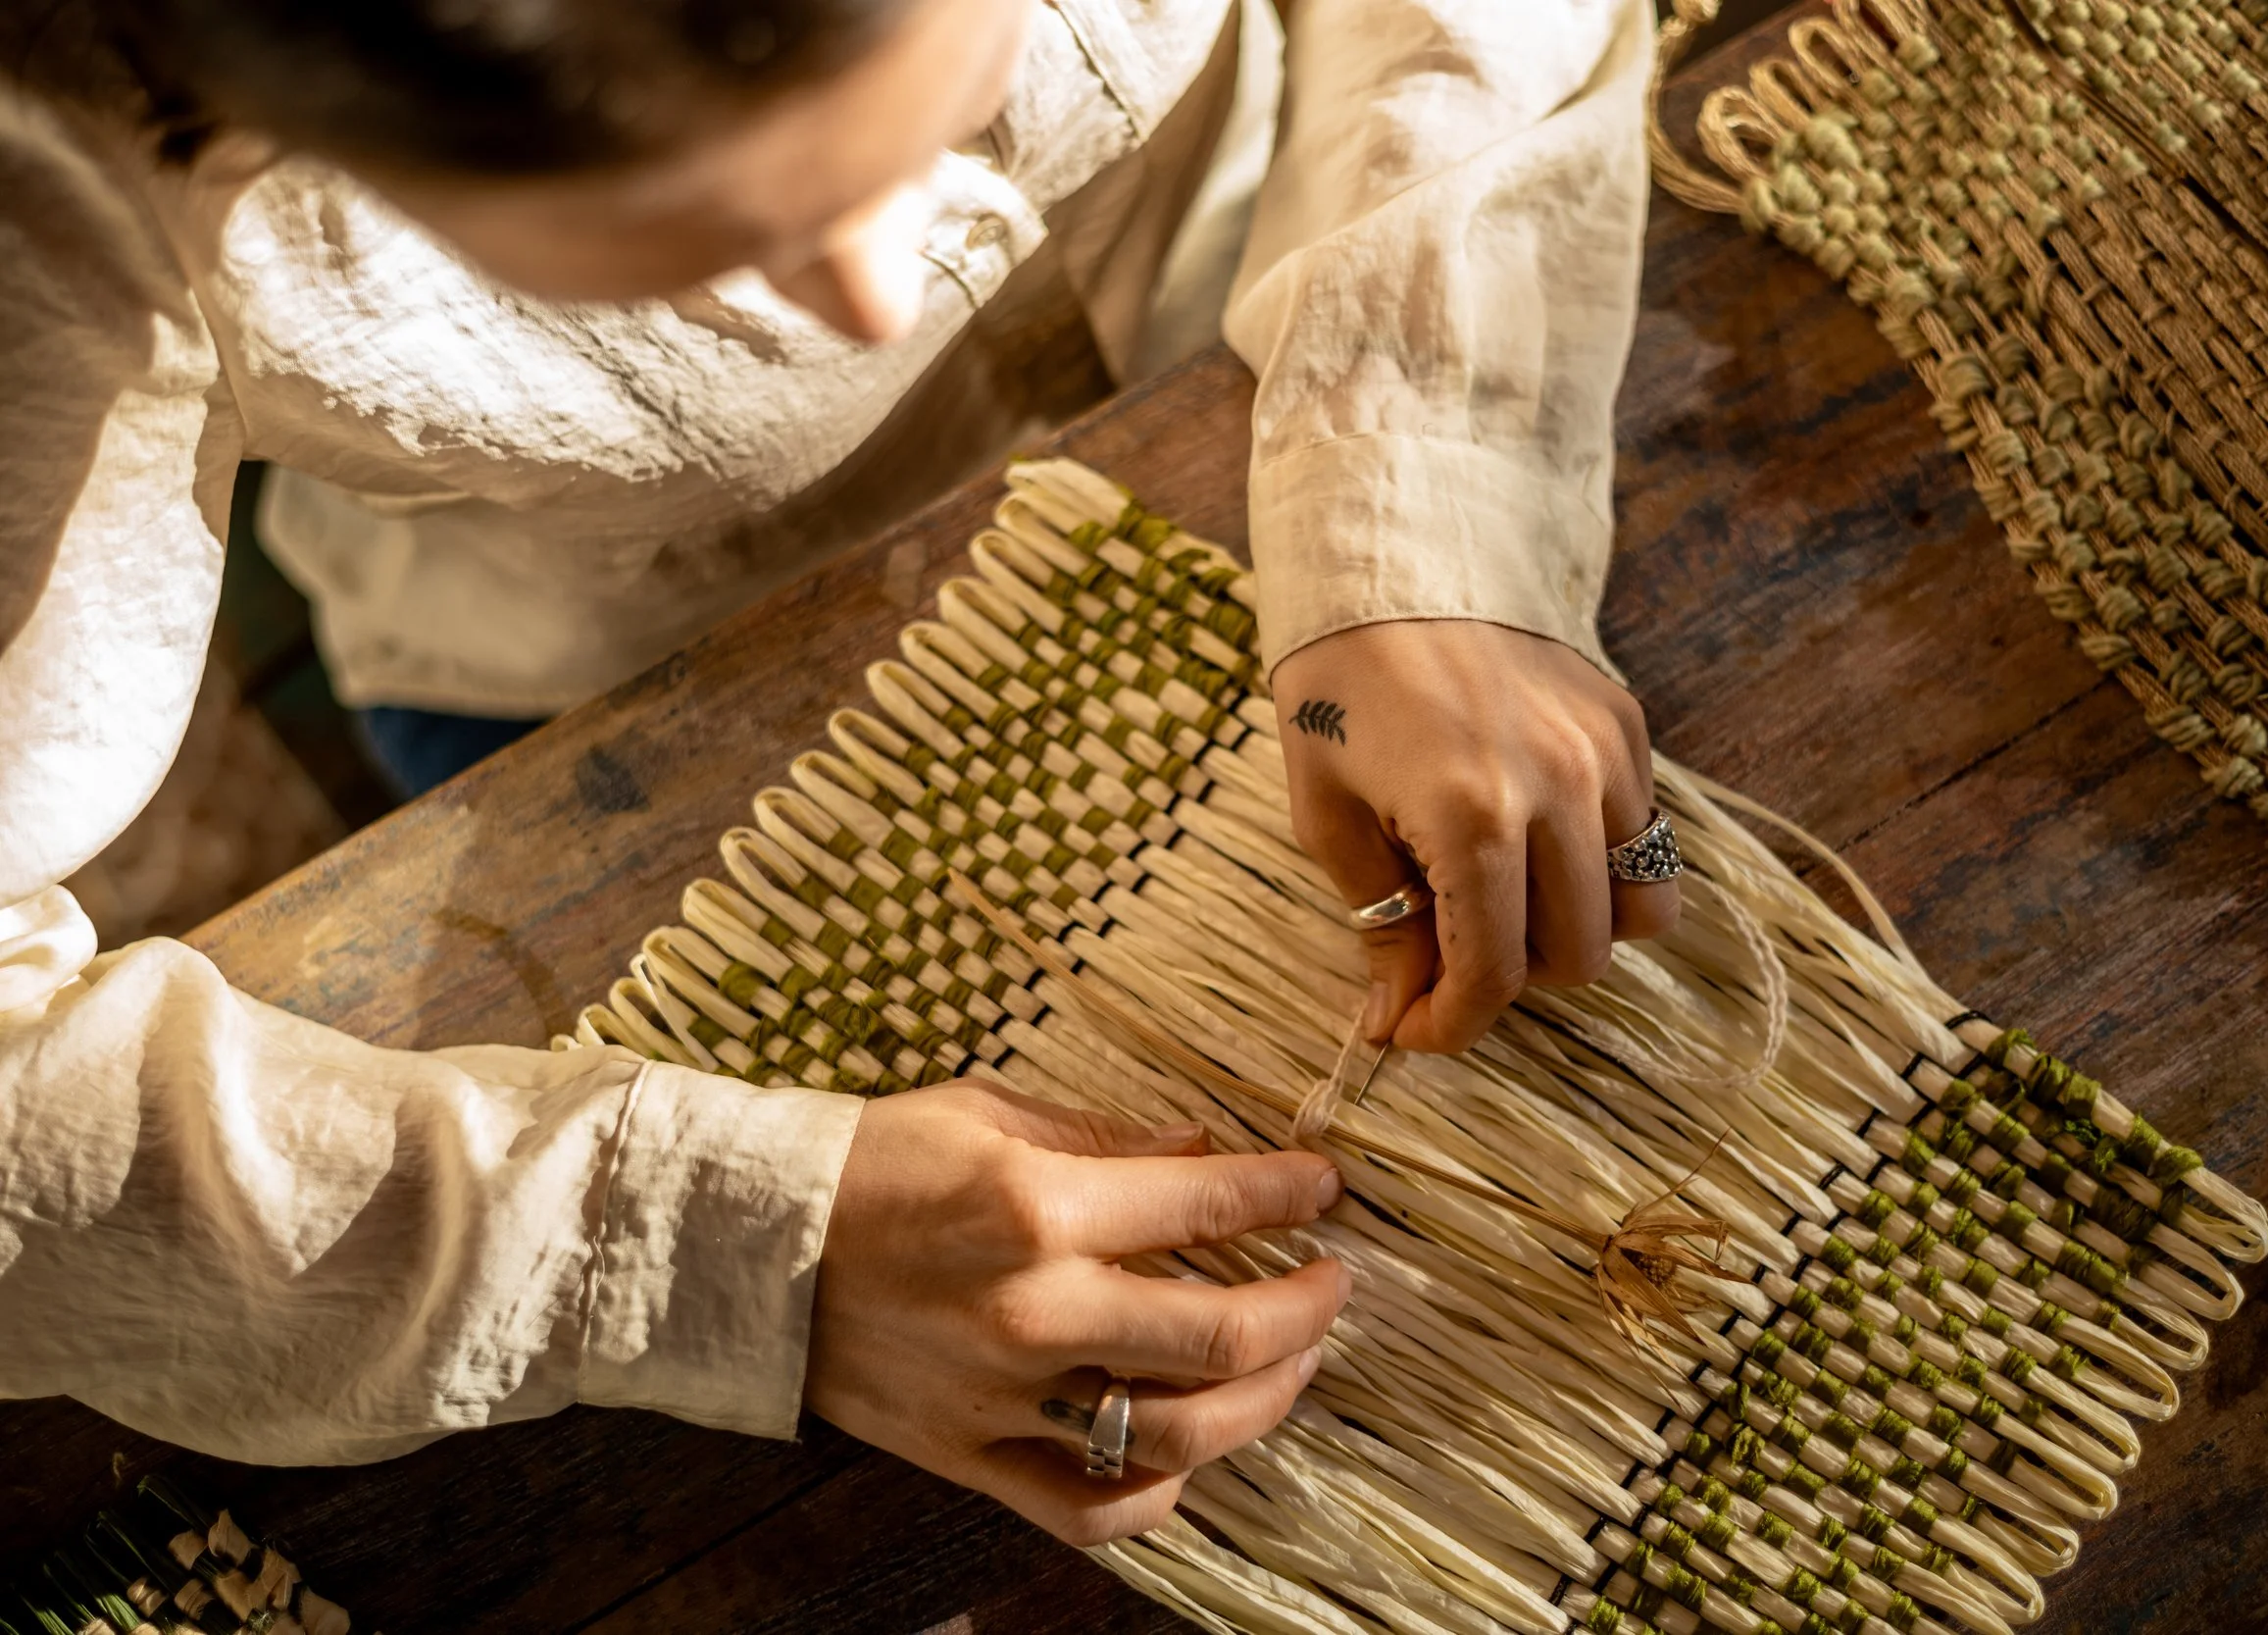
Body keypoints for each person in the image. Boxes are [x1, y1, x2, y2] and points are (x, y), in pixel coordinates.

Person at [0, 0, 1673, 1547]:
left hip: (1286, 245)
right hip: (620, 672)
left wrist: (1417, 446)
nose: (891, 292)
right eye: (686, 252)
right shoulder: (43, 171)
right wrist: (711, 1243)